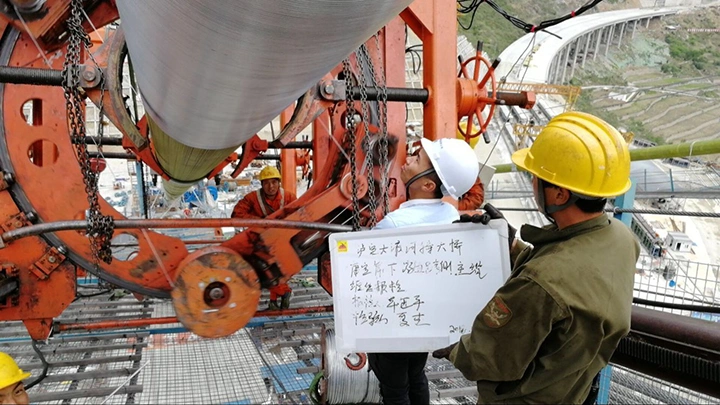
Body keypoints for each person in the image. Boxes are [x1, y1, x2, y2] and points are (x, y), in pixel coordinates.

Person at [432, 111, 640, 404]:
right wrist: (512, 246)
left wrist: (455, 350)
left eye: (536, 177)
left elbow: (489, 357)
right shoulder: (620, 238)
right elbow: (567, 287)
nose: (532, 183)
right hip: (572, 390)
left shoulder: (542, 282)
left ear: (559, 195)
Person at [369, 137, 479, 405]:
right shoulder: (450, 216)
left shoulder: (393, 225)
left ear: (429, 184)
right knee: (416, 374)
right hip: (424, 321)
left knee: (394, 389)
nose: (407, 159)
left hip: (393, 327)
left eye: (417, 159)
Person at [231, 165, 297, 310]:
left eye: (274, 182)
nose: (270, 186)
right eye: (266, 182)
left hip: (283, 241)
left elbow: (299, 218)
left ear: (279, 183)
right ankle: (280, 295)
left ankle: (279, 296)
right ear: (261, 184)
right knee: (267, 270)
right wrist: (260, 222)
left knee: (277, 270)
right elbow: (237, 214)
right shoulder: (253, 198)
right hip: (262, 242)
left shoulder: (289, 198)